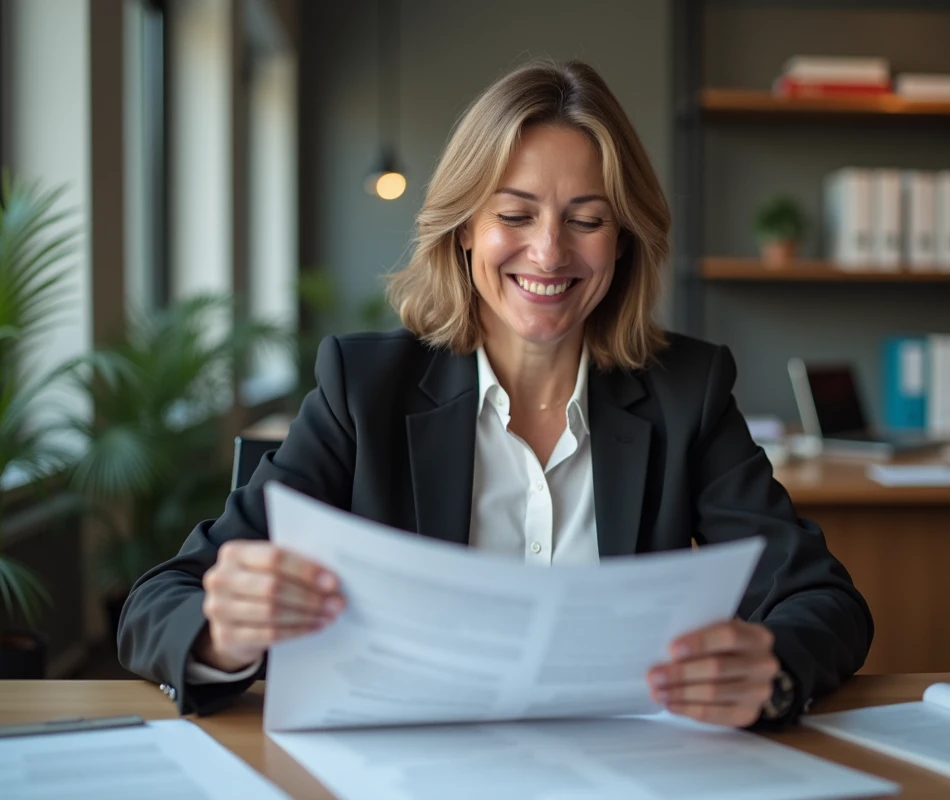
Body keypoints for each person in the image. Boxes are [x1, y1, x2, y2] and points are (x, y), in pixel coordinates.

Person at [118, 60, 872, 727]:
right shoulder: (364, 391)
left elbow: (826, 603)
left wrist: (767, 672)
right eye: (515, 215)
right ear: (466, 229)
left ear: (622, 241)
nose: (549, 252)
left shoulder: (687, 392)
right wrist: (225, 633)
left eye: (587, 220)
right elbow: (159, 603)